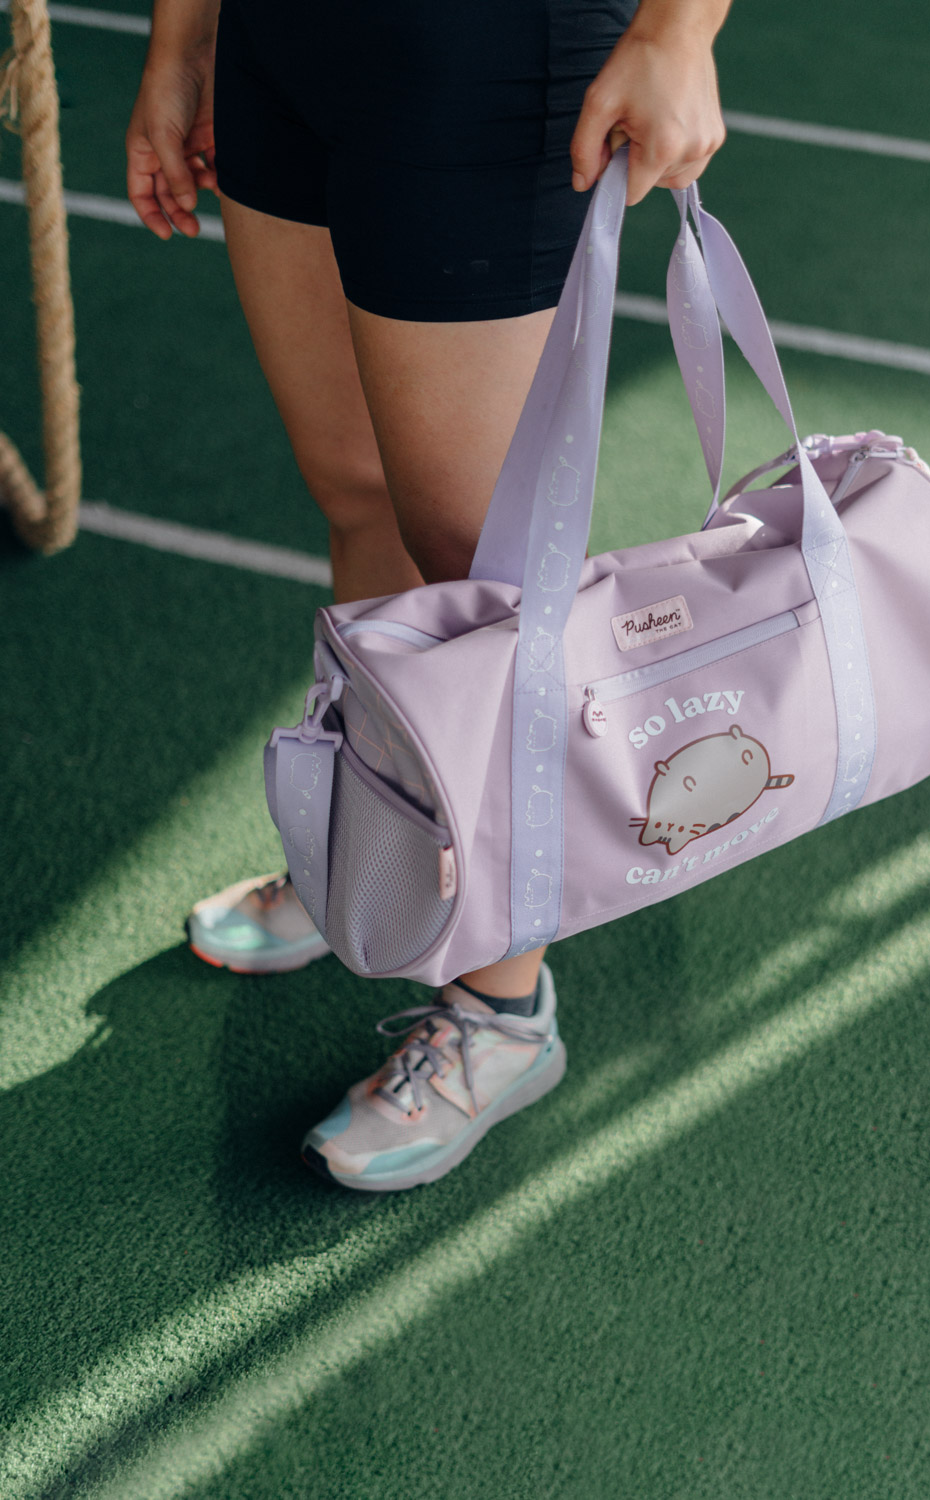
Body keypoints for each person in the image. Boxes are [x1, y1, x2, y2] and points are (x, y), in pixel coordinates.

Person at [126, 0, 730, 1191]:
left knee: (483, 575)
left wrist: (677, 30)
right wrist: (182, 36)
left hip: (486, 46)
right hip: (281, 39)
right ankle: (380, 857)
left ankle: (505, 1013)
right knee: (355, 491)